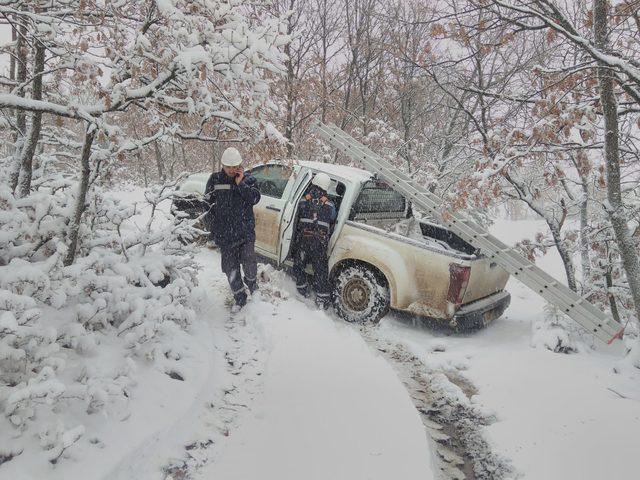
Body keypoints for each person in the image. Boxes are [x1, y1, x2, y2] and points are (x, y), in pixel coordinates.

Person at [204, 147, 261, 312]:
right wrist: (213, 228)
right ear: (222, 165)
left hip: (245, 233)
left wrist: (240, 183)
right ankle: (240, 298)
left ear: (240, 164)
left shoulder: (249, 179)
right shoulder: (215, 180)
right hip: (225, 235)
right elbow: (207, 204)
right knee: (231, 268)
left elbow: (255, 198)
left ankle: (252, 285)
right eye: (228, 167)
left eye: (234, 166)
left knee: (249, 262)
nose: (231, 170)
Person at [292, 172, 337, 310]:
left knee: (299, 264)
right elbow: (333, 218)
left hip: (304, 240)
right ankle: (322, 298)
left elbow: (296, 213)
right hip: (320, 242)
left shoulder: (303, 200)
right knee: (321, 269)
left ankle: (302, 289)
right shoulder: (330, 204)